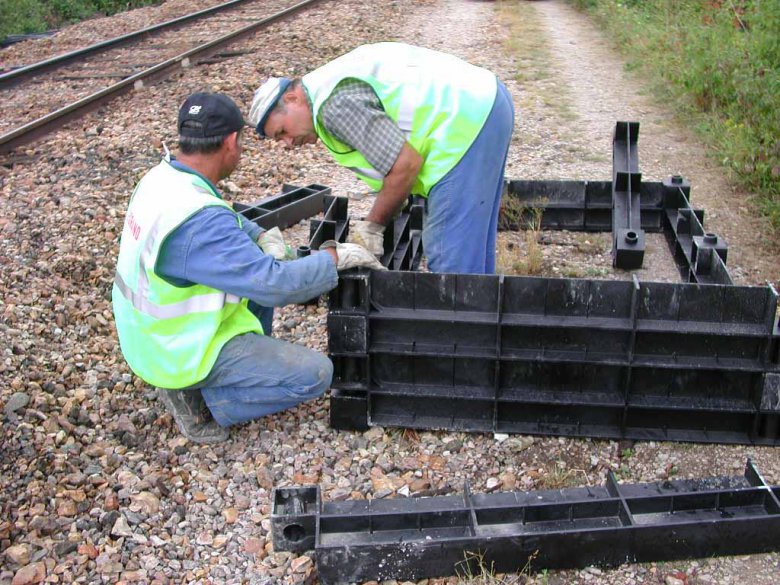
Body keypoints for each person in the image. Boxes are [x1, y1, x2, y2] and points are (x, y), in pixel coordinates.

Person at [112, 92, 383, 444]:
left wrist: (260, 234)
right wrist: (333, 259)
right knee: (316, 374)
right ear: (230, 141)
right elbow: (278, 285)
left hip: (145, 334)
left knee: (256, 279)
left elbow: (218, 216)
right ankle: (203, 403)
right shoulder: (200, 225)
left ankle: (237, 368)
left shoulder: (163, 178)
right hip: (175, 352)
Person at [248, 42, 515, 274]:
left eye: (282, 131)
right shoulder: (325, 87)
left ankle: (463, 327)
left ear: (292, 98)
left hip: (464, 124)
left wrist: (371, 229)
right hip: (484, 102)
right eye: (278, 139)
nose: (287, 143)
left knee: (451, 259)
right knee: (471, 247)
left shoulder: (332, 106)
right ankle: (482, 320)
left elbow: (404, 167)